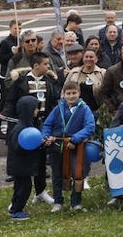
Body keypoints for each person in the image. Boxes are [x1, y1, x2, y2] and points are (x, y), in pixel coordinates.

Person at [40, 82, 96, 212]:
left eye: (74, 93)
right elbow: (47, 124)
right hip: (57, 146)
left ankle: (75, 202)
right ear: (64, 95)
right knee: (56, 174)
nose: (71, 96)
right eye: (68, 94)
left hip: (75, 147)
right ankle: (58, 201)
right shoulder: (58, 108)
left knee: (77, 174)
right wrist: (46, 136)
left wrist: (75, 139)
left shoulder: (84, 109)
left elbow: (89, 127)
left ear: (79, 93)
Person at [6, 95, 43, 221]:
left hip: (21, 165)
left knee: (19, 187)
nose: (37, 111)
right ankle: (17, 210)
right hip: (21, 166)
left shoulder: (27, 125)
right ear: (27, 110)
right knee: (24, 188)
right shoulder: (21, 128)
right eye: (35, 109)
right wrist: (37, 144)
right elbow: (18, 147)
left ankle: (14, 207)